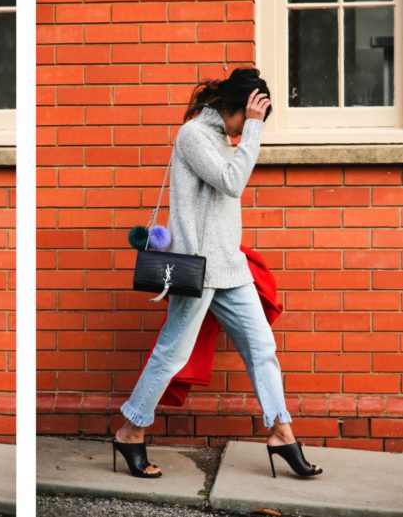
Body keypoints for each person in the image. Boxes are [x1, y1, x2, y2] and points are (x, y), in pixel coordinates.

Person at [113, 68, 323, 479]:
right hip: (199, 269)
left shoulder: (223, 139)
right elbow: (232, 182)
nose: (250, 128)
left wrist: (249, 131)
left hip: (231, 267)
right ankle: (130, 430)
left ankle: (282, 432)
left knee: (262, 347)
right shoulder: (194, 136)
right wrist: (254, 132)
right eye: (248, 118)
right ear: (233, 109)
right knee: (172, 353)